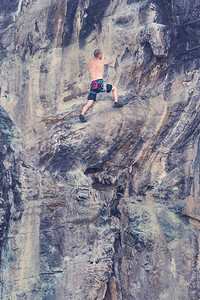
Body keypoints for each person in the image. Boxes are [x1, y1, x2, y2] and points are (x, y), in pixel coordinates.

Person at [79, 49, 122, 123]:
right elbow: (111, 61)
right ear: (99, 55)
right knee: (114, 88)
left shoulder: (90, 61)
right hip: (100, 84)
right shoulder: (102, 61)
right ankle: (116, 103)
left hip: (93, 85)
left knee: (90, 102)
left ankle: (82, 115)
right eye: (101, 54)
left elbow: (95, 62)